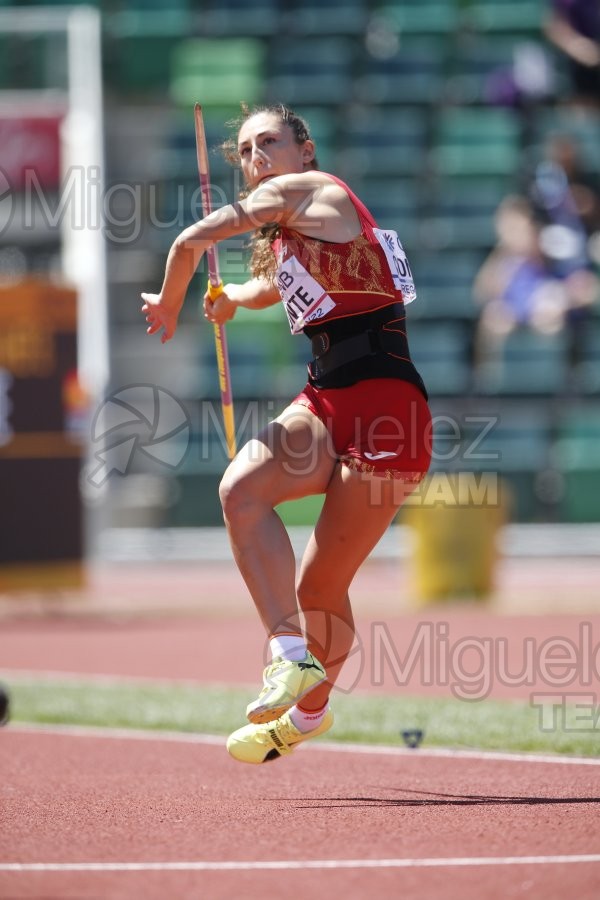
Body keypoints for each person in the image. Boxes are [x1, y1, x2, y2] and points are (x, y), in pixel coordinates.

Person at [141, 104, 432, 764]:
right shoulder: (290, 229)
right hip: (326, 399)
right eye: (245, 150)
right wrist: (233, 300)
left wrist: (169, 300)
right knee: (241, 491)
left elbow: (190, 241)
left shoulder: (313, 191)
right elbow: (275, 287)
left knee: (320, 587)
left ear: (306, 149)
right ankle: (289, 657)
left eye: (268, 141)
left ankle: (307, 714)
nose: (256, 157)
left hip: (388, 409)